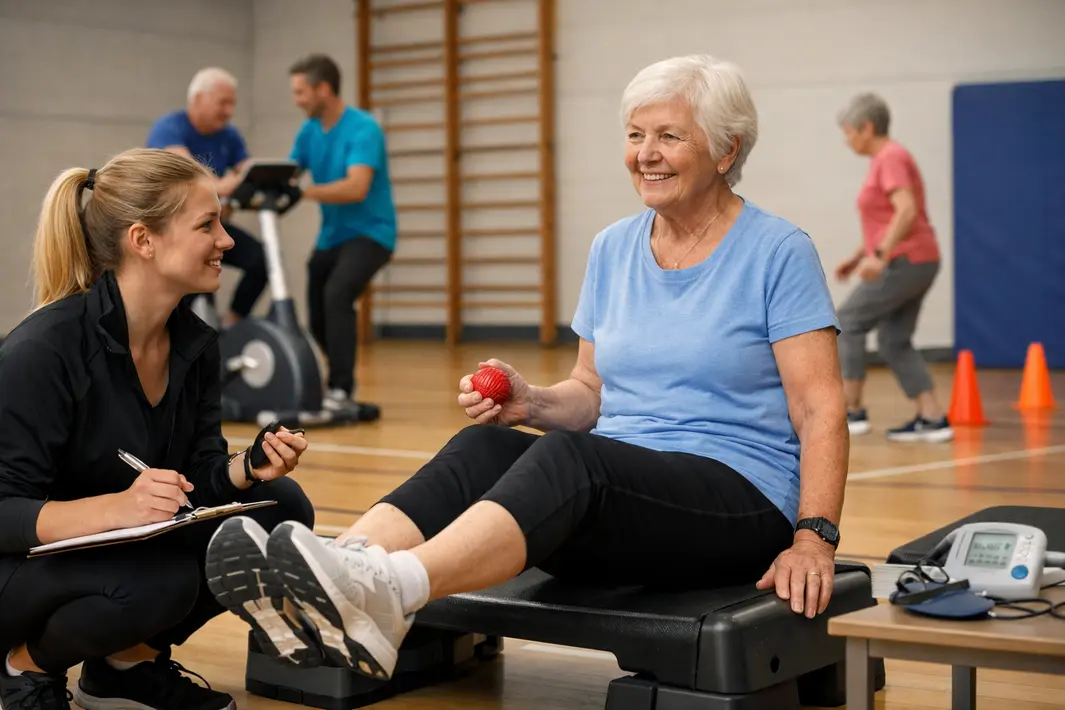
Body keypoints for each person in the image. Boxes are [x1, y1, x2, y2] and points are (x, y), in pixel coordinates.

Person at [206, 54, 850, 680]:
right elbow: (593, 392)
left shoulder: (777, 251)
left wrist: (813, 539)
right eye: (634, 135)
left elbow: (820, 410)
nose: (645, 153)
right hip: (628, 497)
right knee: (483, 444)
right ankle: (332, 570)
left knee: (572, 458)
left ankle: (388, 595)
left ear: (727, 151)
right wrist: (531, 404)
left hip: (738, 501)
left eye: (669, 136)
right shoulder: (613, 247)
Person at [0, 148, 316, 710]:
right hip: (17, 567)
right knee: (162, 580)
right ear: (143, 241)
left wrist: (245, 472)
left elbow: (196, 479)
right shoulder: (42, 351)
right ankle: (21, 670)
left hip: (96, 554)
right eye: (207, 224)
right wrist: (114, 510)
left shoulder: (195, 345)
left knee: (279, 509)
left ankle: (123, 667)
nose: (227, 240)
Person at [834, 93, 952, 443]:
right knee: (894, 340)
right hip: (919, 259)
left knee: (848, 321)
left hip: (905, 261)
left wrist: (880, 256)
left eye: (848, 132)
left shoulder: (890, 158)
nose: (846, 140)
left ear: (866, 128)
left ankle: (851, 410)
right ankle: (933, 418)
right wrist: (860, 255)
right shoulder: (886, 160)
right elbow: (886, 220)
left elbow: (906, 210)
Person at [287, 53, 395, 419]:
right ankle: (337, 380)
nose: (297, 100)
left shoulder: (363, 128)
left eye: (301, 92)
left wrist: (304, 193)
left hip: (372, 233)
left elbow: (356, 187)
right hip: (331, 237)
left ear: (324, 89)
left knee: (337, 294)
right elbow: (289, 173)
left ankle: (340, 388)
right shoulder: (309, 131)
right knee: (317, 311)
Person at [146, 67, 269, 329]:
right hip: (173, 231)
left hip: (208, 225)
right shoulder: (170, 128)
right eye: (223, 103)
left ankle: (231, 325)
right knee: (194, 289)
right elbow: (193, 178)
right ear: (198, 99)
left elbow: (249, 171)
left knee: (261, 260)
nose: (229, 111)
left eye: (232, 104)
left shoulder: (229, 135)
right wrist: (230, 184)